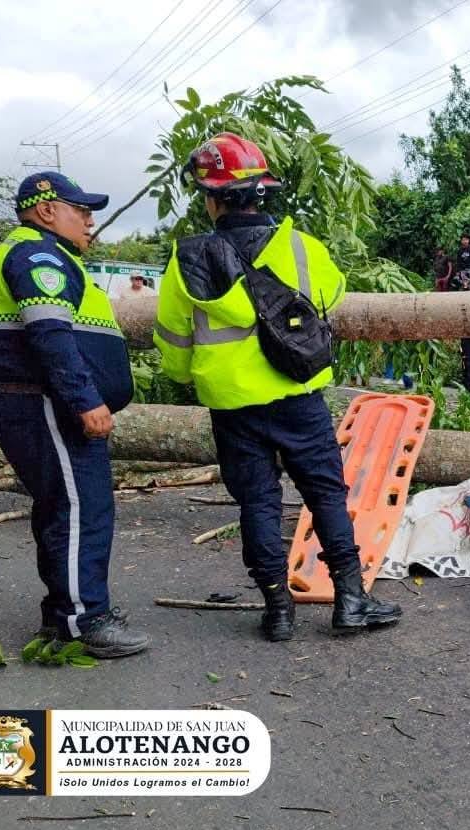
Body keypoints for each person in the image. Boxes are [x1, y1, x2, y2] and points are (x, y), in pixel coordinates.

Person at [153, 132, 401, 642]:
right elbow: (330, 295)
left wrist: (190, 376)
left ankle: (277, 610)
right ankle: (352, 600)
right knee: (326, 495)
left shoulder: (187, 261)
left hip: (231, 403)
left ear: (211, 197)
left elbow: (174, 343)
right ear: (260, 191)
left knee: (258, 503)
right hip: (297, 393)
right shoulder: (300, 247)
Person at [0, 171, 148, 657]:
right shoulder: (36, 255)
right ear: (48, 209)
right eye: (82, 211)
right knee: (82, 511)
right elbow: (51, 335)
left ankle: (63, 615)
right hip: (46, 402)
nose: (90, 222)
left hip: (44, 401)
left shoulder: (50, 255)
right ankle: (85, 620)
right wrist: (85, 400)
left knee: (64, 509)